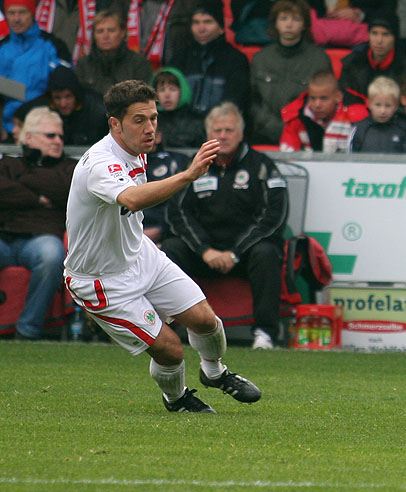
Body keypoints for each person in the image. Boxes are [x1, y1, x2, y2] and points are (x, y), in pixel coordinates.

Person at [64, 80, 261, 413]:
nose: (150, 127)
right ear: (115, 124)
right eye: (139, 120)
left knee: (206, 320)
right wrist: (188, 175)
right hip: (101, 280)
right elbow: (132, 198)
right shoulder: (99, 163)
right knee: (170, 351)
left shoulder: (136, 150)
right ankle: (177, 398)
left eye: (153, 118)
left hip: (139, 254)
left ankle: (215, 372)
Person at [163, 102, 289, 351]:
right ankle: (169, 329)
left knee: (267, 252)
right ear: (208, 135)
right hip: (205, 253)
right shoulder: (193, 167)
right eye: (217, 131)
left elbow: (274, 216)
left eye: (229, 130)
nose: (223, 136)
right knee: (170, 248)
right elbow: (177, 213)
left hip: (245, 254)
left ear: (241, 134)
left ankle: (265, 333)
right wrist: (204, 250)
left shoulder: (262, 166)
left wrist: (235, 252)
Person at [0, 107, 76, 340]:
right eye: (50, 135)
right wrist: (36, 199)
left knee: (52, 256)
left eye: (60, 136)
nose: (58, 141)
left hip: (42, 238)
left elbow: (63, 188)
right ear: (29, 138)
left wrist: (21, 183)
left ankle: (27, 331)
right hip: (5, 236)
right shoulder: (10, 163)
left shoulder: (70, 168)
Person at [249, 0, 332, 146]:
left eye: (296, 19)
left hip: (307, 134)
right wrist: (271, 125)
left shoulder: (319, 59)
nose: (289, 24)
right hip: (264, 133)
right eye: (283, 18)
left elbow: (327, 99)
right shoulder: (261, 58)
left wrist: (296, 127)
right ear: (275, 23)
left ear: (304, 25)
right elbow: (252, 101)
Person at [0, 0, 71, 138]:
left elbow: (65, 89)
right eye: (11, 13)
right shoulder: (2, 47)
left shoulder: (54, 46)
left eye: (22, 12)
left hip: (46, 127)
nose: (16, 18)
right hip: (7, 130)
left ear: (32, 13)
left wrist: (23, 113)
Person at [170, 0, 250, 118]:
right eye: (196, 22)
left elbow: (234, 101)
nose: (201, 28)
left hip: (219, 124)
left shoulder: (236, 59)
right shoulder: (180, 58)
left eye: (208, 22)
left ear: (221, 28)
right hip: (182, 125)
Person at [14, 65, 109, 146]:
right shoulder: (44, 105)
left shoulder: (98, 110)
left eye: (68, 97)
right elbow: (19, 115)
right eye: (57, 98)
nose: (63, 104)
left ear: (76, 96)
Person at [337, 9, 406, 98]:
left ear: (395, 38)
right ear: (368, 35)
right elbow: (344, 96)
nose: (379, 40)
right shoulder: (352, 62)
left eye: (385, 34)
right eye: (374, 33)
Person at [280, 70, 369, 153]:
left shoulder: (358, 117)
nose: (317, 105)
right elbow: (287, 157)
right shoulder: (297, 118)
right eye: (313, 98)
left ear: (338, 97)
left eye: (324, 98)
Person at [74, 9, 153, 98]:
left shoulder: (138, 63)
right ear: (94, 35)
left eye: (111, 30)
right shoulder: (83, 65)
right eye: (100, 31)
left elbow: (145, 98)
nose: (105, 36)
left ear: (122, 33)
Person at [143, 128, 189, 244]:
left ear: (158, 137)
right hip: (127, 231)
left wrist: (162, 229)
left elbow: (181, 204)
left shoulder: (176, 161)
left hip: (165, 231)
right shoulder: (116, 164)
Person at [348, 76, 406, 153]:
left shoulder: (403, 130)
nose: (383, 111)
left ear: (396, 106)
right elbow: (349, 157)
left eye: (388, 105)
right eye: (378, 105)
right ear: (369, 103)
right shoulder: (359, 129)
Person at [151, 67, 206, 148]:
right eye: (162, 90)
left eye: (172, 89)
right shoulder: (152, 120)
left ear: (182, 91)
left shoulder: (197, 121)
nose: (167, 95)